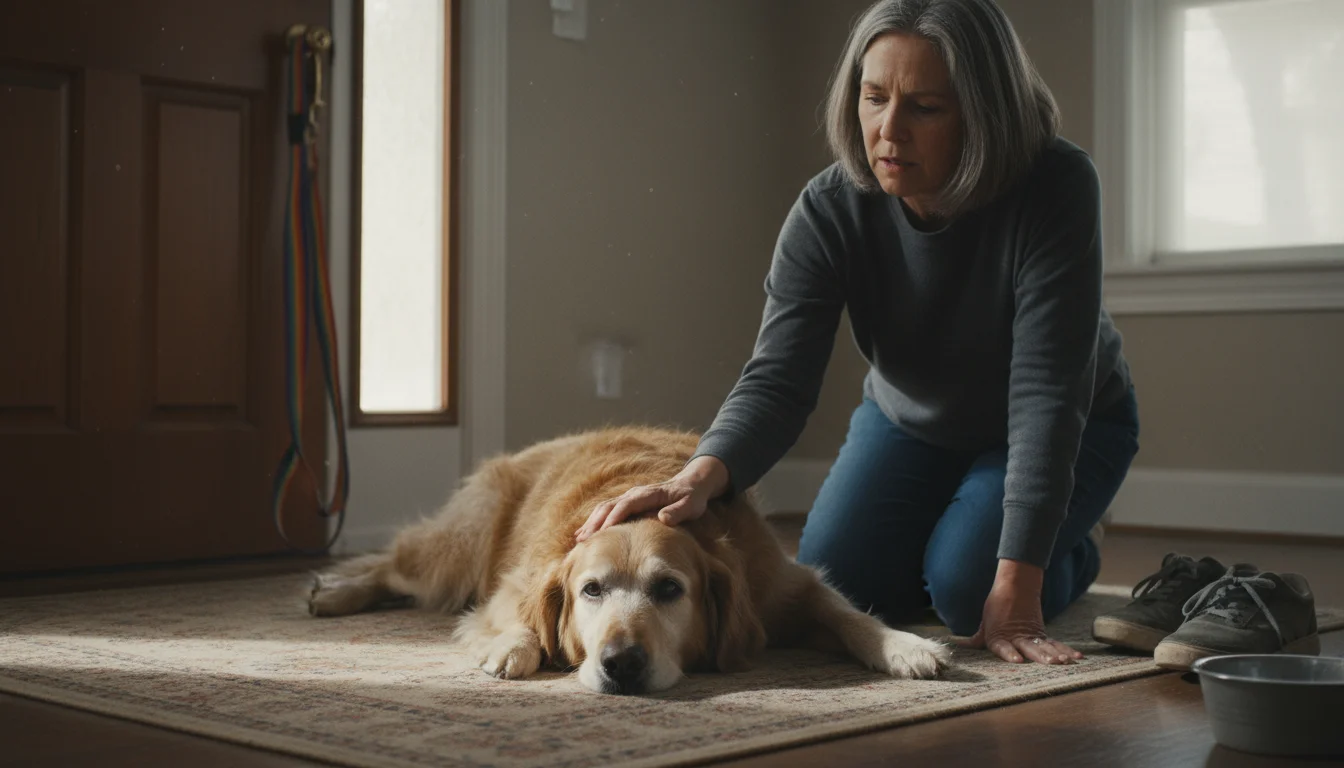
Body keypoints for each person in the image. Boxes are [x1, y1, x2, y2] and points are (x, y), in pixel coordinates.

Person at [575, 0, 1139, 667]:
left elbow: (1047, 395)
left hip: (1062, 428)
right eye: (874, 98)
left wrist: (1018, 580)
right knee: (842, 582)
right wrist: (696, 477)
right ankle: (973, 528)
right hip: (911, 421)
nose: (888, 132)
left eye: (925, 107)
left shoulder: (1057, 185)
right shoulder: (829, 207)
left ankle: (1069, 542)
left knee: (965, 593)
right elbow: (778, 375)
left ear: (985, 111)